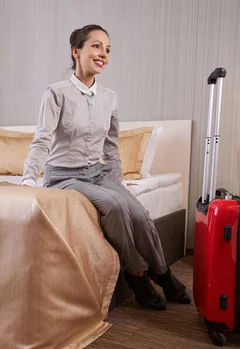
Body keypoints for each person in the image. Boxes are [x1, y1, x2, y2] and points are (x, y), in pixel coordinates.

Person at [21, 24, 190, 310]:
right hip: (63, 176)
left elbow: (111, 146)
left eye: (108, 49)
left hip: (97, 172)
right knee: (114, 207)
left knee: (137, 211)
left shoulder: (109, 97)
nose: (104, 54)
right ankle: (137, 276)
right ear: (77, 52)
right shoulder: (56, 93)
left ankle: (162, 273)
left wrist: (119, 183)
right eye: (96, 46)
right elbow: (42, 140)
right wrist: (28, 179)